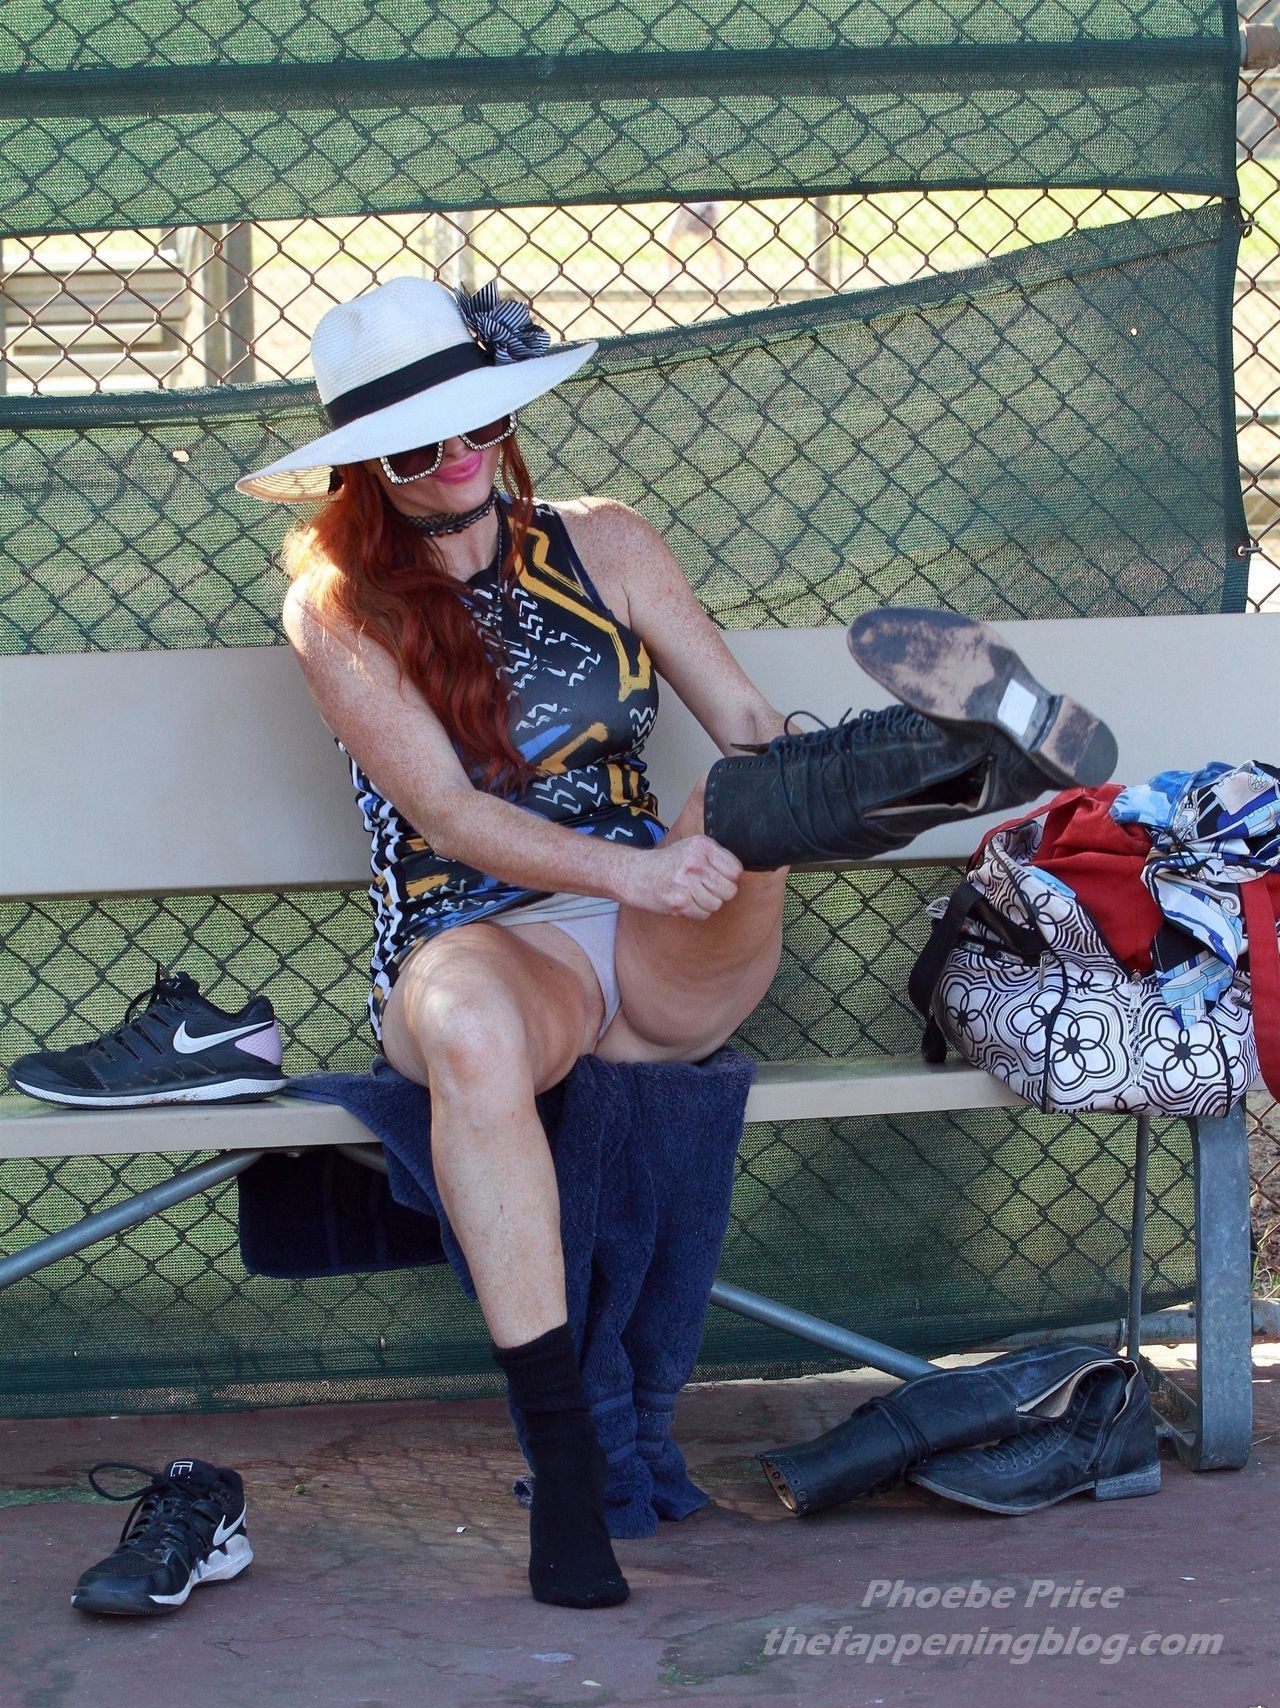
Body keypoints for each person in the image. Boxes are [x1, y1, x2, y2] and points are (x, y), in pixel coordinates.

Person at [237, 277, 1117, 1610]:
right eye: (416, 447)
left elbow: (742, 720)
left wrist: (718, 825)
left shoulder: (606, 542)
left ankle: (948, 760)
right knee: (470, 1028)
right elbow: (450, 815)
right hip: (479, 939)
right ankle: (568, 1473)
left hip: (660, 946)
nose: (458, 458)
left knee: (746, 795)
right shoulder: (338, 606)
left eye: (478, 422)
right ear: (364, 467)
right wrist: (634, 873)